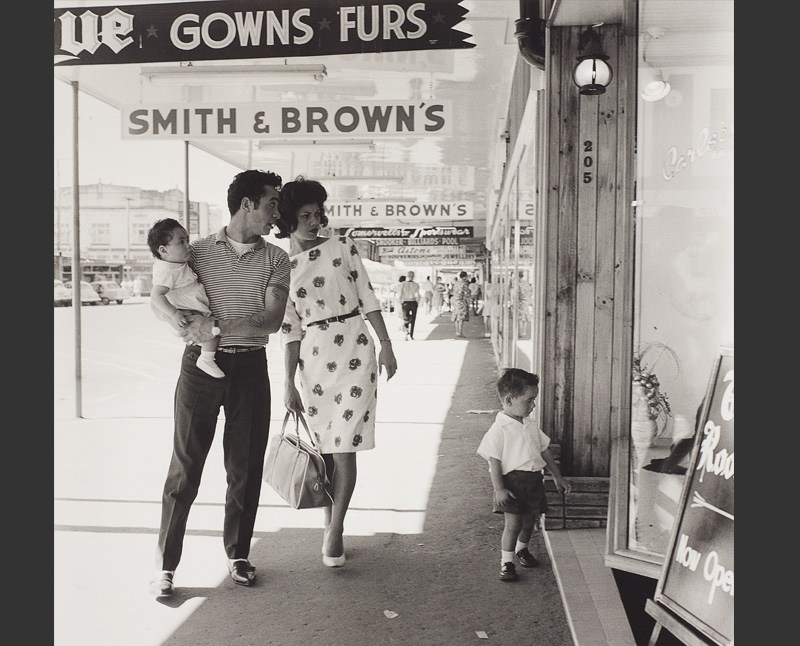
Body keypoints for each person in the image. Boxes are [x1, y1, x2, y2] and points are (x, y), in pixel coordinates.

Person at [148, 169, 290, 597]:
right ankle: (166, 565)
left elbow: (272, 319)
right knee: (185, 466)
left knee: (243, 467)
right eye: (271, 204)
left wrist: (214, 324)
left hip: (250, 366)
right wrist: (174, 318)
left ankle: (238, 554)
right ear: (247, 204)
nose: (276, 214)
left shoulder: (276, 259)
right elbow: (159, 293)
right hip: (199, 367)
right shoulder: (196, 253)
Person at [275, 176, 398, 568]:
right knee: (326, 450)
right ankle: (331, 519)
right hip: (313, 361)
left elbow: (368, 296)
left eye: (319, 213)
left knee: (345, 447)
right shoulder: (281, 266)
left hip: (356, 351)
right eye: (306, 215)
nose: (315, 221)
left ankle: (336, 528)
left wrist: (387, 344)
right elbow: (289, 329)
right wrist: (288, 383)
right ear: (288, 220)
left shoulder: (343, 247)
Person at [477, 368, 571, 582]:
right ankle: (506, 563)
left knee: (530, 522)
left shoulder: (530, 424)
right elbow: (494, 461)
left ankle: (522, 549)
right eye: (529, 400)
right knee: (513, 525)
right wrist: (499, 489)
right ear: (509, 400)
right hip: (512, 483)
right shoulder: (499, 430)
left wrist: (557, 476)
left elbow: (544, 450)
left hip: (533, 481)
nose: (533, 405)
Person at [147, 218, 224, 379]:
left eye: (187, 240)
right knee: (213, 329)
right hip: (187, 313)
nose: (188, 245)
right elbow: (156, 295)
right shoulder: (166, 270)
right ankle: (206, 359)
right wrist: (174, 314)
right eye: (181, 242)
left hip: (193, 308)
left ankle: (207, 357)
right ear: (163, 250)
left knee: (214, 327)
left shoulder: (176, 263)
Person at [399, 270, 421, 340]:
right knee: (413, 319)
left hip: (405, 302)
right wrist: (418, 302)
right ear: (413, 276)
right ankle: (411, 335)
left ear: (407, 276)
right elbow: (418, 295)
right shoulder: (416, 285)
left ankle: (406, 333)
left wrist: (401, 302)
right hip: (413, 302)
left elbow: (400, 294)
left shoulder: (403, 284)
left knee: (405, 318)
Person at [451, 270, 471, 337]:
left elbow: (453, 291)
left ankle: (457, 331)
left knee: (456, 317)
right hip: (462, 301)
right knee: (461, 317)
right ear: (465, 277)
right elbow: (466, 294)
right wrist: (468, 302)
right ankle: (460, 332)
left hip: (455, 301)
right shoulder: (465, 283)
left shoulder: (456, 283)